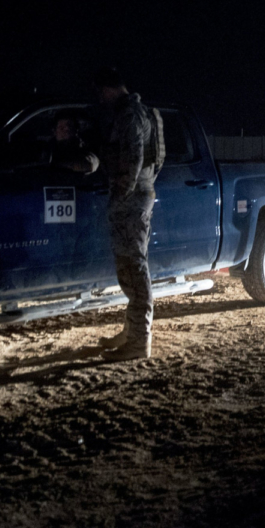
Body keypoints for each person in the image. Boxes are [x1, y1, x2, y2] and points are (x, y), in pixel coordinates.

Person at [93, 67, 161, 361]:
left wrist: (122, 193)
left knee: (134, 267)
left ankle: (138, 342)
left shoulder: (130, 115)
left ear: (109, 89)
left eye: (101, 92)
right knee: (129, 266)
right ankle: (132, 331)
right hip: (137, 195)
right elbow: (154, 159)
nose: (100, 98)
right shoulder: (140, 111)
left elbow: (133, 157)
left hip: (130, 199)